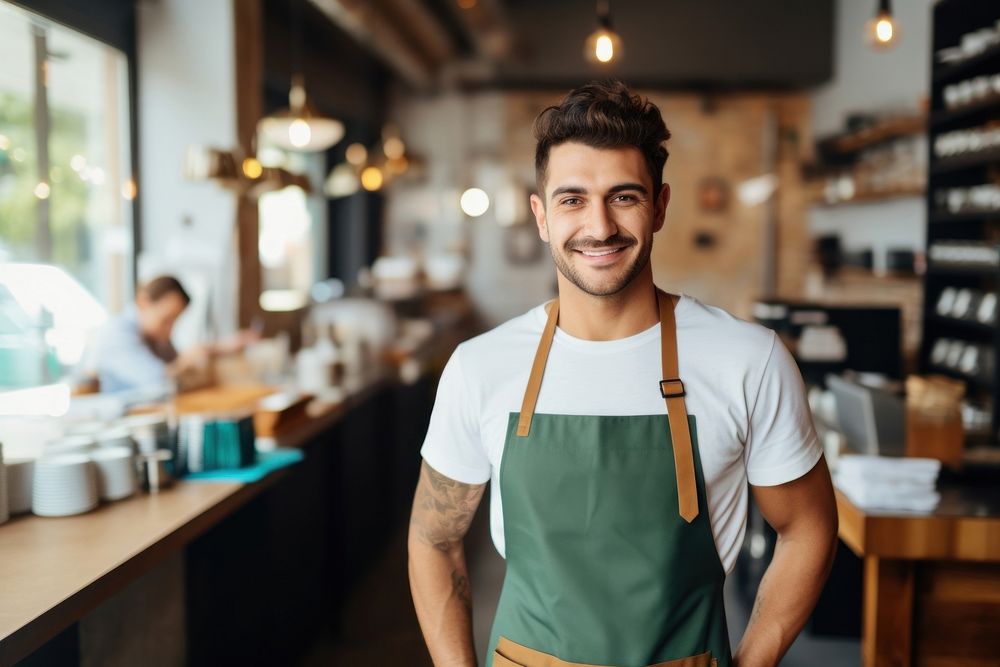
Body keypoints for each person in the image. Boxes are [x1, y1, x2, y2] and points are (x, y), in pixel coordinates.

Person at [408, 80, 837, 667]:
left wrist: (753, 662)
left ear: (660, 206)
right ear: (540, 216)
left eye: (624, 196)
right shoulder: (480, 367)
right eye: (572, 199)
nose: (600, 226)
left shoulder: (748, 361)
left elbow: (809, 528)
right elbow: (433, 538)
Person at [91, 275, 252, 397]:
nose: (170, 329)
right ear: (143, 303)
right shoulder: (118, 333)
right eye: (166, 320)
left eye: (174, 321)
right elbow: (157, 381)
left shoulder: (156, 336)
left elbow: (178, 369)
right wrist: (188, 358)